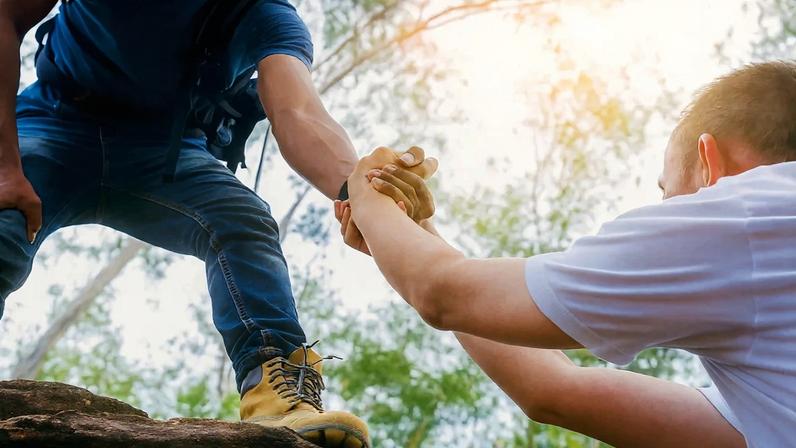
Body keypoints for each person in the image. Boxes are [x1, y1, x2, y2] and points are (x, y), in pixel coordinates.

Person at [0, 1, 435, 447]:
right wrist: (5, 167)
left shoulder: (266, 16)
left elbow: (298, 113)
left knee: (241, 219)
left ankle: (277, 399)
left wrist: (356, 192)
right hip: (55, 120)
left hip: (168, 151)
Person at [339, 61, 796, 447]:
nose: (666, 211)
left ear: (708, 163)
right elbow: (553, 391)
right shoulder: (771, 389)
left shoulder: (741, 218)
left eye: (667, 190)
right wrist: (413, 229)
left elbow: (442, 292)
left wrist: (369, 191)